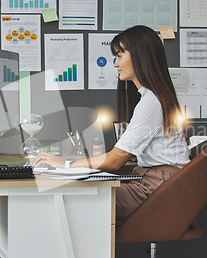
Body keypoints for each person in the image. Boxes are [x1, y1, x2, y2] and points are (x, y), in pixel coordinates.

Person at [34, 25, 190, 220]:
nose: (115, 63)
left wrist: (65, 165)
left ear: (141, 56)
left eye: (119, 55)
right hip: (158, 182)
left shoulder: (152, 101)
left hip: (159, 188)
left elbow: (115, 161)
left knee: (80, 196)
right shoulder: (153, 97)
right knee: (83, 193)